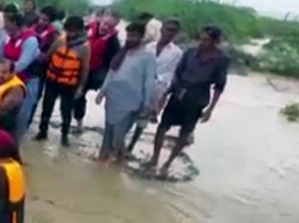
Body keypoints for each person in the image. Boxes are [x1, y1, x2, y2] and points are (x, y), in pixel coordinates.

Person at [145, 25, 229, 176]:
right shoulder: (190, 53)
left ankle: (168, 163)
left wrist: (210, 109)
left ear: (214, 41)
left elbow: (219, 86)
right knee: (162, 126)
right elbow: (178, 73)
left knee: (185, 133)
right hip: (179, 92)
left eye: (206, 40)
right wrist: (167, 93)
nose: (201, 42)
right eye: (200, 39)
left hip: (198, 97)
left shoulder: (221, 59)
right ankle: (154, 158)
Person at [94, 21, 156, 163]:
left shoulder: (148, 57)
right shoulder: (123, 52)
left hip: (132, 101)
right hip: (113, 97)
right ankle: (102, 160)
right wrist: (102, 91)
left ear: (141, 37)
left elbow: (149, 82)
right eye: (128, 35)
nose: (130, 39)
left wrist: (146, 104)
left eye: (134, 36)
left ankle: (119, 162)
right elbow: (112, 72)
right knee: (108, 133)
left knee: (119, 136)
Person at [126, 18, 183, 153]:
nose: (169, 33)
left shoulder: (177, 53)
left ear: (176, 33)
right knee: (128, 115)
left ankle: (131, 146)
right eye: (168, 29)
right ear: (161, 29)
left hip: (156, 90)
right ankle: (119, 143)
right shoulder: (148, 47)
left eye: (173, 31)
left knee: (142, 121)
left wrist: (162, 91)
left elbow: (172, 74)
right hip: (138, 86)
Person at [34, 16, 91, 146]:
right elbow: (48, 55)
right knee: (46, 107)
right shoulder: (60, 40)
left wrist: (81, 87)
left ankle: (64, 135)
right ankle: (43, 131)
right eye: (68, 30)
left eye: (73, 31)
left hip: (69, 84)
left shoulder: (84, 47)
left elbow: (85, 68)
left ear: (80, 31)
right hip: (52, 80)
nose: (70, 33)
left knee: (65, 110)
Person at [75, 12, 121, 132]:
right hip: (82, 68)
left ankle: (111, 125)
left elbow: (116, 62)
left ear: (114, 28)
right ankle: (79, 123)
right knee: (77, 96)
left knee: (110, 94)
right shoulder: (87, 29)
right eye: (105, 23)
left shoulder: (113, 42)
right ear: (101, 20)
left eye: (110, 27)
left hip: (99, 72)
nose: (105, 27)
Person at [1, 12, 40, 141]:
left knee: (22, 116)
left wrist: (3, 72)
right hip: (9, 78)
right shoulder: (8, 37)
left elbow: (23, 63)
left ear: (15, 24)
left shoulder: (30, 40)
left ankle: (16, 146)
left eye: (7, 25)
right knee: (4, 112)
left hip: (28, 81)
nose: (5, 28)